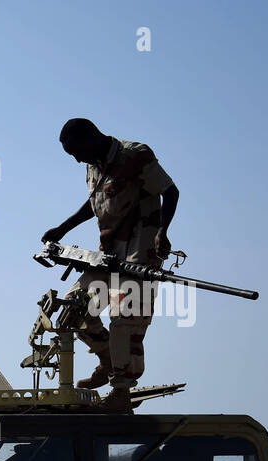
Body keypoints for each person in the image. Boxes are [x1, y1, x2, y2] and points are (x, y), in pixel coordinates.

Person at [41, 118, 179, 413]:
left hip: (139, 254)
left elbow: (171, 191)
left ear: (91, 138)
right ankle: (106, 361)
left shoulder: (135, 155)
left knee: (125, 322)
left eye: (77, 152)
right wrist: (62, 228)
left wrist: (161, 232)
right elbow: (95, 204)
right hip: (108, 255)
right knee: (73, 309)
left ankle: (120, 392)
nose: (78, 160)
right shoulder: (94, 164)